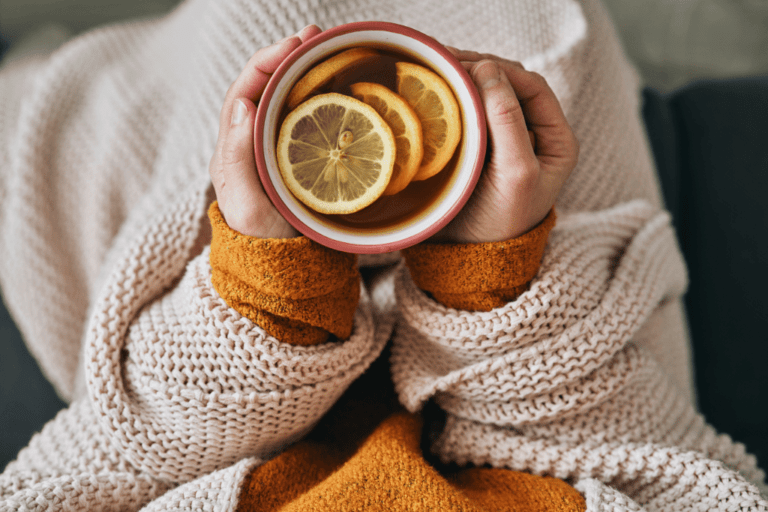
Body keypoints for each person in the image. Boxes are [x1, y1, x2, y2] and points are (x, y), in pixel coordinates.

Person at [0, 0, 765, 510]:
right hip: (538, 352)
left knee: (252, 57)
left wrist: (272, 286)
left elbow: (79, 468)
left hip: (222, 378)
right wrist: (489, 273)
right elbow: (684, 476)